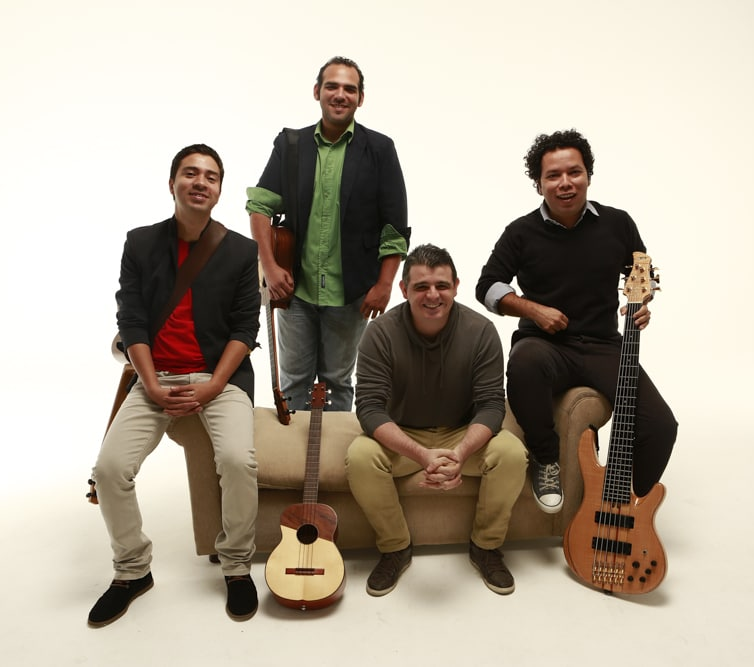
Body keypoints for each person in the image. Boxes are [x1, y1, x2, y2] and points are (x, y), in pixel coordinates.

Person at [88, 144, 262, 627]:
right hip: (154, 377)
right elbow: (132, 320)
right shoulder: (140, 243)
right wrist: (150, 383)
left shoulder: (241, 251)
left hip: (219, 379)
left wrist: (212, 386)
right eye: (190, 173)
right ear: (172, 184)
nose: (200, 182)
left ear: (219, 190)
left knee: (238, 461)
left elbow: (245, 328)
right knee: (109, 470)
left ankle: (236, 565)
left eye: (211, 176)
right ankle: (132, 571)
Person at [475, 129, 677, 514]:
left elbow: (642, 273)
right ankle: (546, 460)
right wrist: (532, 309)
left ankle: (622, 504)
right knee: (524, 363)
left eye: (574, 172)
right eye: (553, 176)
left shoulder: (618, 223)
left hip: (603, 346)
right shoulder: (520, 232)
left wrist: (643, 301)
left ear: (588, 176)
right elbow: (487, 287)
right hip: (546, 346)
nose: (565, 183)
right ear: (539, 185)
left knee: (661, 425)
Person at [346, 244, 528, 596]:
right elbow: (369, 409)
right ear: (403, 290)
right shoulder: (379, 333)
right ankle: (395, 548)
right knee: (360, 456)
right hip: (402, 435)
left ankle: (486, 546)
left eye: (442, 285)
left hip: (463, 432)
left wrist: (459, 453)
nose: (433, 295)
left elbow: (491, 406)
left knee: (511, 453)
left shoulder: (481, 331)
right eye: (421, 287)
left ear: (456, 286)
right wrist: (421, 455)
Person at [247, 56, 410, 413]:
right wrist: (270, 268)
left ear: (360, 98)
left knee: (338, 382)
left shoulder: (380, 150)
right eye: (332, 86)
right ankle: (295, 450)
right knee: (293, 382)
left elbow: (395, 228)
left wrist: (384, 285)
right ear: (317, 91)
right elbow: (260, 206)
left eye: (349, 89)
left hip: (352, 294)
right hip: (295, 290)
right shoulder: (291, 145)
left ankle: (330, 451)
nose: (340, 94)